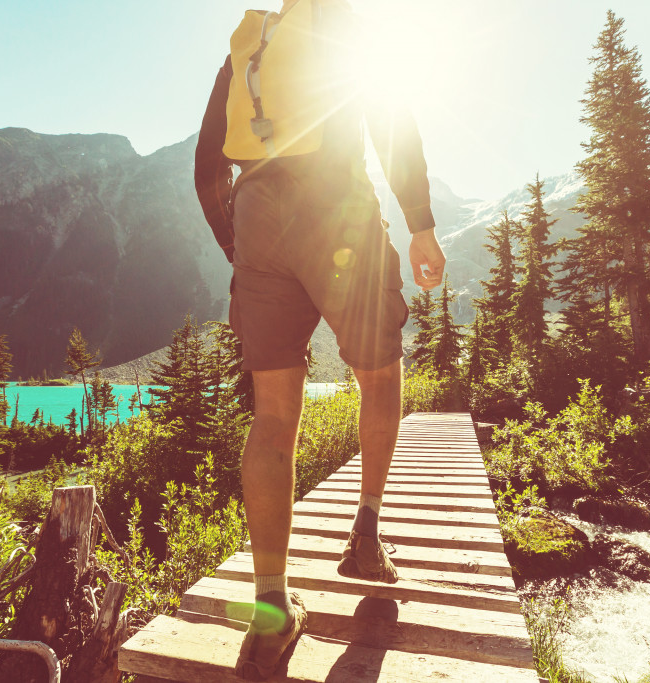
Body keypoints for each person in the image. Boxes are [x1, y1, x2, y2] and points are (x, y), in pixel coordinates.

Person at [194, 1, 445, 678]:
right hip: (335, 209)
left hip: (257, 215)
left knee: (273, 416)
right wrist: (420, 222)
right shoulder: (345, 28)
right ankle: (366, 528)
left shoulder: (248, 48)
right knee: (380, 373)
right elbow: (391, 123)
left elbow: (205, 168)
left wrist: (239, 245)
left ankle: (271, 611)